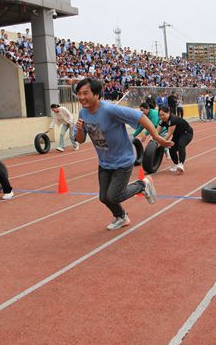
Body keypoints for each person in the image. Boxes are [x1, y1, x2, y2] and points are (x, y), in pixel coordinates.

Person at [74, 78, 172, 231]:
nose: (81, 98)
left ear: (96, 94)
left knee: (114, 196)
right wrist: (80, 129)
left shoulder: (109, 110)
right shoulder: (83, 113)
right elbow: (79, 140)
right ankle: (121, 216)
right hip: (104, 162)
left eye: (85, 93)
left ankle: (142, 184)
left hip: (123, 160)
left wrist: (156, 136)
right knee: (104, 197)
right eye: (79, 94)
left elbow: (140, 116)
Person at [158, 106, 193, 174]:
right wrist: (153, 138)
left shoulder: (173, 120)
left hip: (186, 133)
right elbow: (156, 131)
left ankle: (181, 164)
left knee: (181, 144)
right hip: (177, 135)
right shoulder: (163, 120)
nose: (162, 117)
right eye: (160, 115)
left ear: (168, 112)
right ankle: (176, 164)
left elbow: (168, 135)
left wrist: (160, 143)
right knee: (171, 147)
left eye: (163, 114)